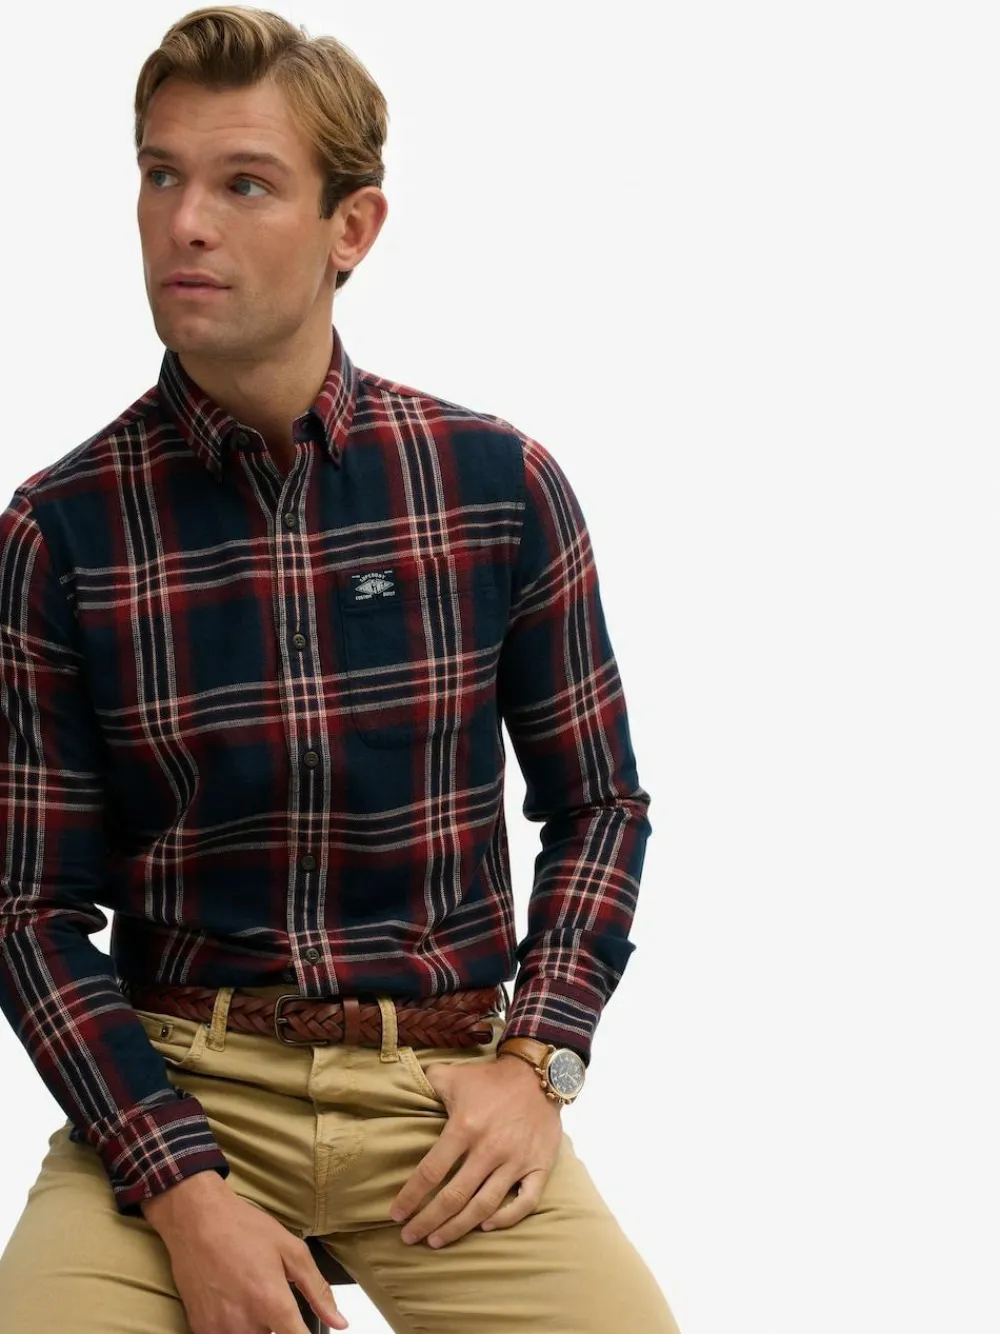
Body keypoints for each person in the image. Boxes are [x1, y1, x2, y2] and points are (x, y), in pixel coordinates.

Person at [0, 7, 680, 1332]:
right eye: (160, 174)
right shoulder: (58, 532)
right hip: (179, 1087)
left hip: (441, 1091)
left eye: (244, 183)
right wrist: (181, 1188)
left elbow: (601, 805)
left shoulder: (495, 487)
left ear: (351, 227)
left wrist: (539, 1058)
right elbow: (28, 911)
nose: (185, 222)